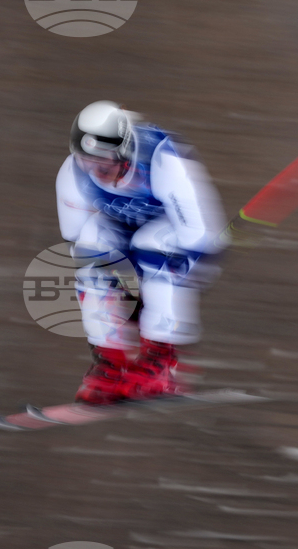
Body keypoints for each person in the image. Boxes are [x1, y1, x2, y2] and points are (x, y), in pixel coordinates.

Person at [56, 101, 228, 404]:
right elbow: (75, 234)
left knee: (153, 246)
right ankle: (111, 364)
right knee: (91, 247)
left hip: (173, 231)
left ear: (124, 152)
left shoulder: (161, 162)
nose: (96, 171)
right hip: (121, 234)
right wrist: (122, 291)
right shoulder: (73, 175)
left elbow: (199, 233)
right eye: (86, 161)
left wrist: (179, 281)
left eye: (104, 161)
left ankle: (160, 363)